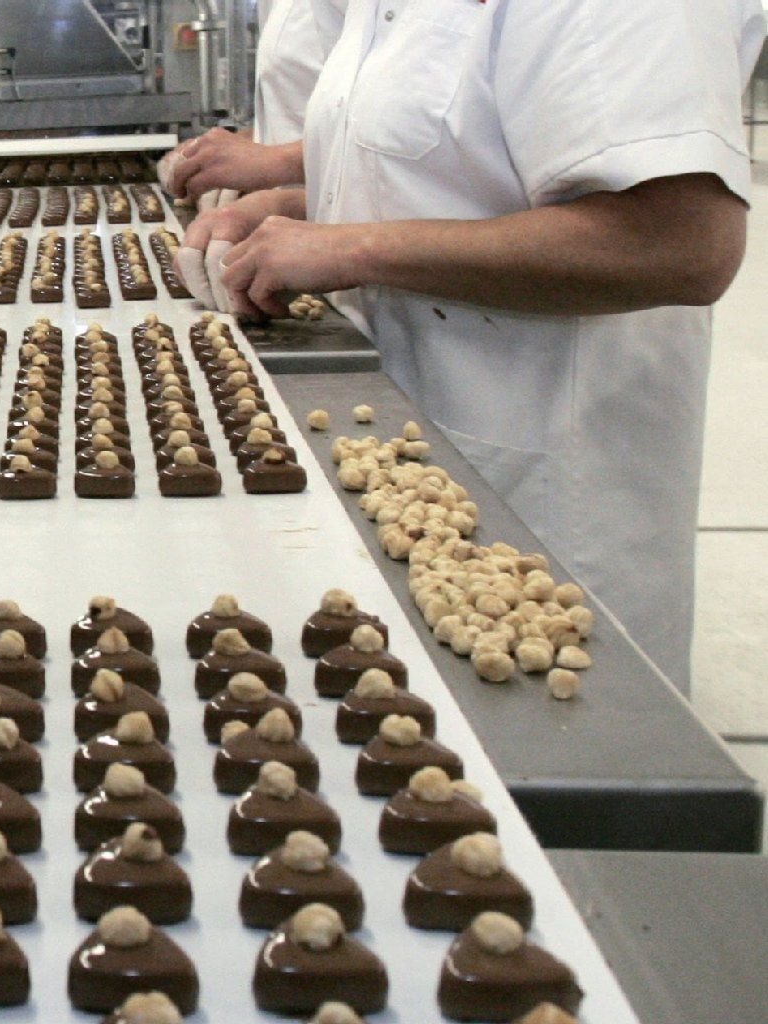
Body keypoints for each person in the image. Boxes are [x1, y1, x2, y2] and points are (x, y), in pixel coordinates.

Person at [200, 0, 764, 688]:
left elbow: (683, 243)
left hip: (544, 491)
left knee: (548, 723)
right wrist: (292, 211)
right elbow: (444, 171)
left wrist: (352, 248)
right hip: (407, 461)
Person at [159, 0, 349, 309]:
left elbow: (391, 148)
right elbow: (326, 114)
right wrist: (250, 144)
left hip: (353, 261)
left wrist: (282, 164)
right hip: (310, 257)